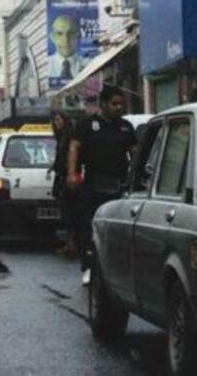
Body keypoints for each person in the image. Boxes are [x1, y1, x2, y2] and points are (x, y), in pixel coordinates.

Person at [66, 86, 137, 285]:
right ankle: (89, 266)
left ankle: (119, 268)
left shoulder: (125, 127)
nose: (118, 107)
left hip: (119, 184)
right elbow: (74, 146)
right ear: (103, 104)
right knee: (90, 226)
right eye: (114, 104)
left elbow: (135, 152)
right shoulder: (88, 125)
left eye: (121, 104)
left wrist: (137, 175)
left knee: (119, 227)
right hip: (93, 183)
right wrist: (72, 173)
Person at [49, 111, 77, 256]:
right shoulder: (60, 138)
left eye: (58, 120)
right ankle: (70, 242)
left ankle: (72, 242)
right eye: (54, 120)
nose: (56, 123)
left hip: (68, 179)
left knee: (70, 211)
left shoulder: (69, 137)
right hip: (61, 178)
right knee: (66, 211)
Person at [48, 15, 85, 80]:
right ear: (52, 37)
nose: (66, 40)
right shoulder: (46, 66)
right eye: (59, 34)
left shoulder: (90, 65)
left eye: (71, 33)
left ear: (78, 35)